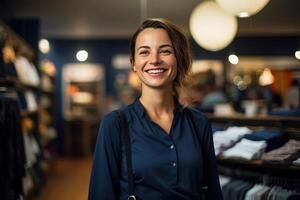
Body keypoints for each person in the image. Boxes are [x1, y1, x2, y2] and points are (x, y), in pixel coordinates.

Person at [88, 18, 223, 200]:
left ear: (178, 60)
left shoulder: (199, 123)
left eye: (165, 51)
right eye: (144, 52)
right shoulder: (115, 124)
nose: (155, 60)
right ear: (134, 64)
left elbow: (213, 192)